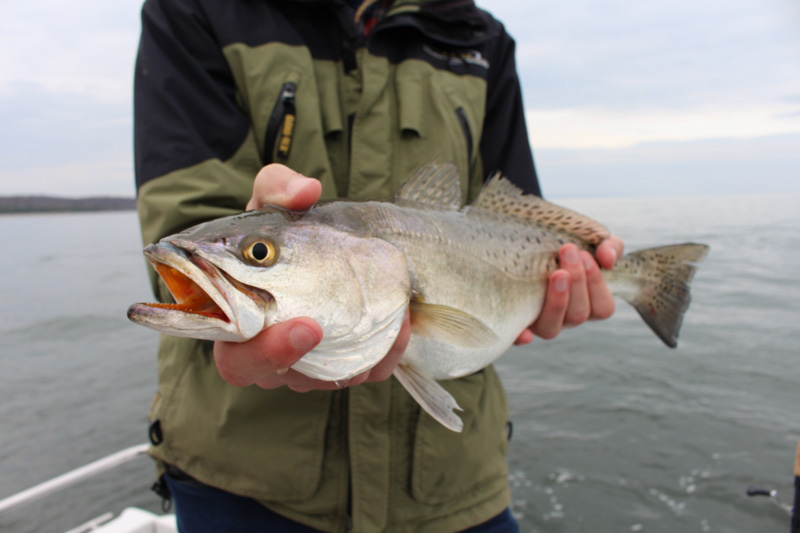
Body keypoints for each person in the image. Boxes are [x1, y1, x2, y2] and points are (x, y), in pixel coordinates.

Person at [133, 0, 623, 531]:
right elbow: (183, 226)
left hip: (453, 484)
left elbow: (513, 205)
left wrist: (567, 277)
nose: (257, 257)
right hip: (240, 481)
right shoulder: (195, 9)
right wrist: (249, 237)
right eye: (262, 254)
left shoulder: (482, 38)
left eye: (258, 255)